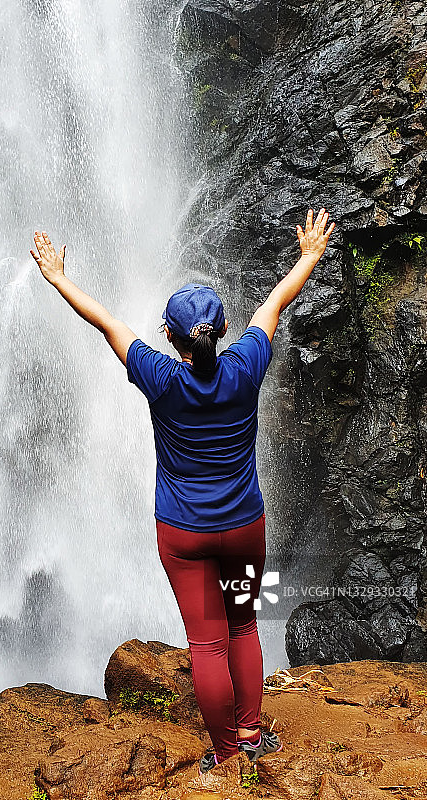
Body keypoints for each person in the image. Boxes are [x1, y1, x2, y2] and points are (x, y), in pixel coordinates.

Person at [30, 207, 336, 775]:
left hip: (183, 534)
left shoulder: (161, 378)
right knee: (245, 622)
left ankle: (224, 755)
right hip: (246, 526)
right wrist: (309, 256)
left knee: (208, 642)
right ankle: (250, 730)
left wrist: (59, 277)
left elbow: (108, 324)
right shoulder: (247, 365)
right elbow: (275, 304)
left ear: (168, 337)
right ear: (222, 335)